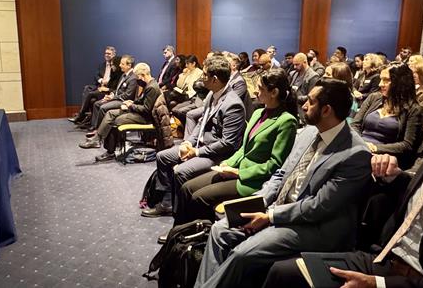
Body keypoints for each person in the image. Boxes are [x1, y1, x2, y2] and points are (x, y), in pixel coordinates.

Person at [194, 79, 372, 288]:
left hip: (315, 227)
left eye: (311, 102)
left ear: (326, 110)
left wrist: (269, 216)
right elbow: (281, 174)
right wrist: (257, 200)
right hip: (279, 206)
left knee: (243, 253)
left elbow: (318, 207)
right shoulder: (308, 132)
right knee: (219, 230)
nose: (304, 105)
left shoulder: (355, 154)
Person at [262, 152, 423, 288]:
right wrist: (394, 176)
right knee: (283, 272)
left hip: (418, 276)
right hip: (389, 257)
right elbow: (418, 196)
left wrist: (378, 283)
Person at [174, 68, 298, 227]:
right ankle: (179, 233)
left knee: (199, 197)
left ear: (274, 92)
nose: (255, 92)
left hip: (251, 180)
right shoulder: (258, 112)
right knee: (187, 187)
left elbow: (275, 165)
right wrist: (228, 164)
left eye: (260, 88)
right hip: (235, 170)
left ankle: (194, 235)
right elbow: (243, 149)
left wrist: (239, 173)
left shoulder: (286, 121)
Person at [140, 55, 246, 218]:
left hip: (217, 155)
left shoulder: (233, 105)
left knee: (181, 171)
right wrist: (187, 143)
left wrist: (196, 153)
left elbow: (228, 144)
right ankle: (167, 203)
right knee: (162, 157)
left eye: (204, 75)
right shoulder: (212, 94)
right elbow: (201, 124)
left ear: (215, 79)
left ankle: (182, 216)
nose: (201, 78)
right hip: (200, 147)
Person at [79, 63, 161, 160]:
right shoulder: (149, 85)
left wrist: (131, 105)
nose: (137, 79)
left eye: (138, 76)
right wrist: (132, 102)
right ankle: (98, 139)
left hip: (145, 118)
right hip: (139, 113)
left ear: (142, 75)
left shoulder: (152, 87)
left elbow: (146, 110)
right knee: (110, 113)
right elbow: (142, 102)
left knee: (114, 121)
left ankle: (109, 151)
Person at [351, 63, 423, 170]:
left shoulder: (413, 109)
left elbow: (407, 145)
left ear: (401, 82)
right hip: (358, 146)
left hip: (382, 158)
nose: (380, 84)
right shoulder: (374, 98)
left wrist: (375, 147)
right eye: (381, 79)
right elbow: (355, 124)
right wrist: (361, 143)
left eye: (386, 80)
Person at [84, 55, 138, 138]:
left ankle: (100, 133)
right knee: (97, 103)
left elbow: (127, 95)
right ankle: (96, 128)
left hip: (124, 102)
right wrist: (111, 95)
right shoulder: (124, 75)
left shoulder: (133, 78)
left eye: (122, 64)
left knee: (103, 107)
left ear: (129, 65)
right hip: (118, 98)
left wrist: (112, 97)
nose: (119, 65)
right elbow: (118, 90)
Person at [68, 46, 121, 125]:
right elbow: (96, 75)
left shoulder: (116, 68)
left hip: (108, 89)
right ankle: (85, 116)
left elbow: (114, 83)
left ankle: (82, 116)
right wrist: (101, 80)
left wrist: (107, 86)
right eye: (105, 53)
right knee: (87, 88)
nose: (106, 55)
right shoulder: (102, 65)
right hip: (100, 85)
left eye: (109, 53)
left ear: (114, 54)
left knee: (91, 98)